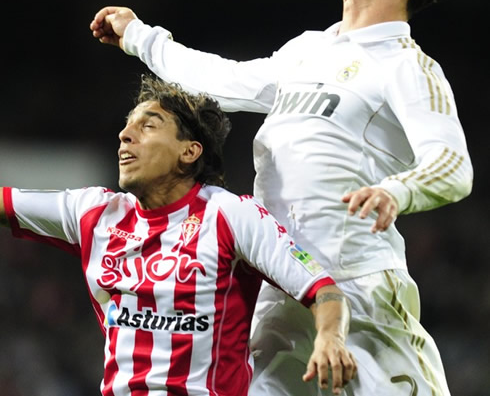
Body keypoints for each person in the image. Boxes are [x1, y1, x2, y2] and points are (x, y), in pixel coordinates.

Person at [90, 0, 473, 396]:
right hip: (279, 286)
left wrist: (398, 190)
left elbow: (453, 166)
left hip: (358, 284)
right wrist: (140, 37)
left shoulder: (406, 66)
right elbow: (223, 80)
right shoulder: (309, 50)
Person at [0, 76, 356, 396]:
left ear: (189, 151)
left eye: (147, 126)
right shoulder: (94, 213)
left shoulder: (230, 215)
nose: (125, 135)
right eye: (126, 127)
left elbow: (323, 290)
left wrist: (330, 337)